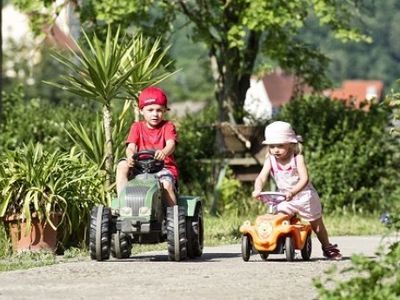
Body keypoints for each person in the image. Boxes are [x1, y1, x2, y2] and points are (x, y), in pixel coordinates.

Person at [252, 121, 342, 260]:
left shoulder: (297, 158)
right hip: (285, 198)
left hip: (305, 197)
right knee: (278, 219)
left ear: (291, 144)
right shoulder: (270, 160)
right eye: (272, 146)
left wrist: (293, 192)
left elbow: (304, 179)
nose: (276, 149)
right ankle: (274, 242)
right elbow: (261, 177)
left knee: (317, 226)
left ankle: (327, 247)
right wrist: (257, 189)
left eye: (280, 145)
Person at [116, 86, 178, 207]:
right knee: (122, 165)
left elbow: (171, 144)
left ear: (165, 110)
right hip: (140, 168)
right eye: (150, 110)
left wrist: (164, 152)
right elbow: (131, 147)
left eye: (159, 110)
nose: (155, 114)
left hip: (162, 168)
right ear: (141, 110)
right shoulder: (136, 127)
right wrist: (130, 157)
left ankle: (172, 216)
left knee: (166, 185)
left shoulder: (168, 126)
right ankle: (122, 205)